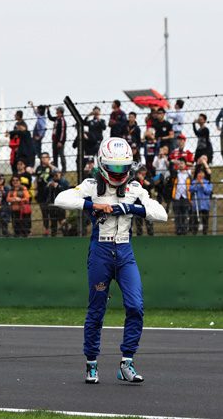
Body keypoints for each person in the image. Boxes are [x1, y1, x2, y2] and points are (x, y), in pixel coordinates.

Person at [54, 137, 167, 384]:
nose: (119, 173)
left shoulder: (136, 189)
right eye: (114, 168)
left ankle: (127, 362)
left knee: (136, 306)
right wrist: (91, 205)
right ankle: (91, 364)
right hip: (100, 252)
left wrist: (132, 209)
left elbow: (162, 214)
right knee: (96, 310)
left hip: (125, 252)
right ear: (103, 165)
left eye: (122, 167)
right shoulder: (92, 185)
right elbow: (60, 199)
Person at [34, 153, 54, 236]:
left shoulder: (51, 167)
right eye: (42, 157)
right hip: (41, 192)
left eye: (46, 157)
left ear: (49, 158)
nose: (44, 159)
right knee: (44, 212)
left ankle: (53, 229)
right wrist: (35, 190)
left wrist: (49, 165)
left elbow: (57, 171)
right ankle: (46, 229)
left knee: (52, 211)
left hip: (49, 192)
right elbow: (36, 179)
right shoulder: (38, 168)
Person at [189, 169, 212, 235]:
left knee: (205, 220)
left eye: (202, 173)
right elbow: (191, 189)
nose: (200, 174)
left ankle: (205, 233)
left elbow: (208, 191)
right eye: (199, 173)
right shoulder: (194, 182)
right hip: (196, 205)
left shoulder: (207, 182)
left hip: (205, 205)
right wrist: (196, 183)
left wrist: (202, 185)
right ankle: (194, 233)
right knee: (195, 220)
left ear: (204, 175)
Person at [171, 158, 191, 235]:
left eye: (182, 163)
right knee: (177, 214)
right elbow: (171, 170)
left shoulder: (188, 174)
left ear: (185, 164)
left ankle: (184, 229)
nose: (180, 165)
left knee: (185, 214)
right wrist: (174, 163)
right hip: (177, 197)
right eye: (179, 164)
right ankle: (178, 229)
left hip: (185, 197)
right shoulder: (176, 174)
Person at [133, 167, 154, 236]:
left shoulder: (148, 178)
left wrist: (143, 179)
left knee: (149, 220)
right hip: (138, 203)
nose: (142, 174)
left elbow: (150, 185)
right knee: (138, 221)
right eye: (141, 173)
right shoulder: (135, 180)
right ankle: (139, 234)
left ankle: (150, 233)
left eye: (144, 173)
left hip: (147, 203)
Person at [47, 106, 67, 173]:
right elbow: (50, 117)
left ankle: (64, 170)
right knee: (55, 156)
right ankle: (56, 170)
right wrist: (48, 110)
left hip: (59, 142)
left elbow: (62, 132)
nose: (56, 111)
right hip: (54, 141)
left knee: (61, 156)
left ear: (60, 112)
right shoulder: (56, 119)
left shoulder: (62, 120)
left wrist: (61, 142)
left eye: (57, 110)